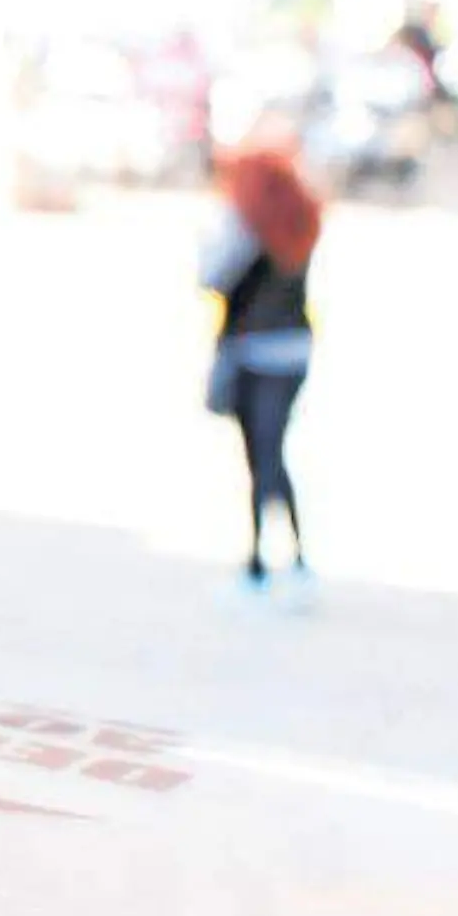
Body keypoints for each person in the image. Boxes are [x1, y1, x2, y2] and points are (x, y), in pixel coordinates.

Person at [201, 144, 324, 590]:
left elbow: (212, 277)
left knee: (261, 455)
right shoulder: (301, 221)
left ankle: (260, 561)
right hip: (294, 348)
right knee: (272, 452)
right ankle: (292, 556)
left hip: (255, 350)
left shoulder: (249, 229)